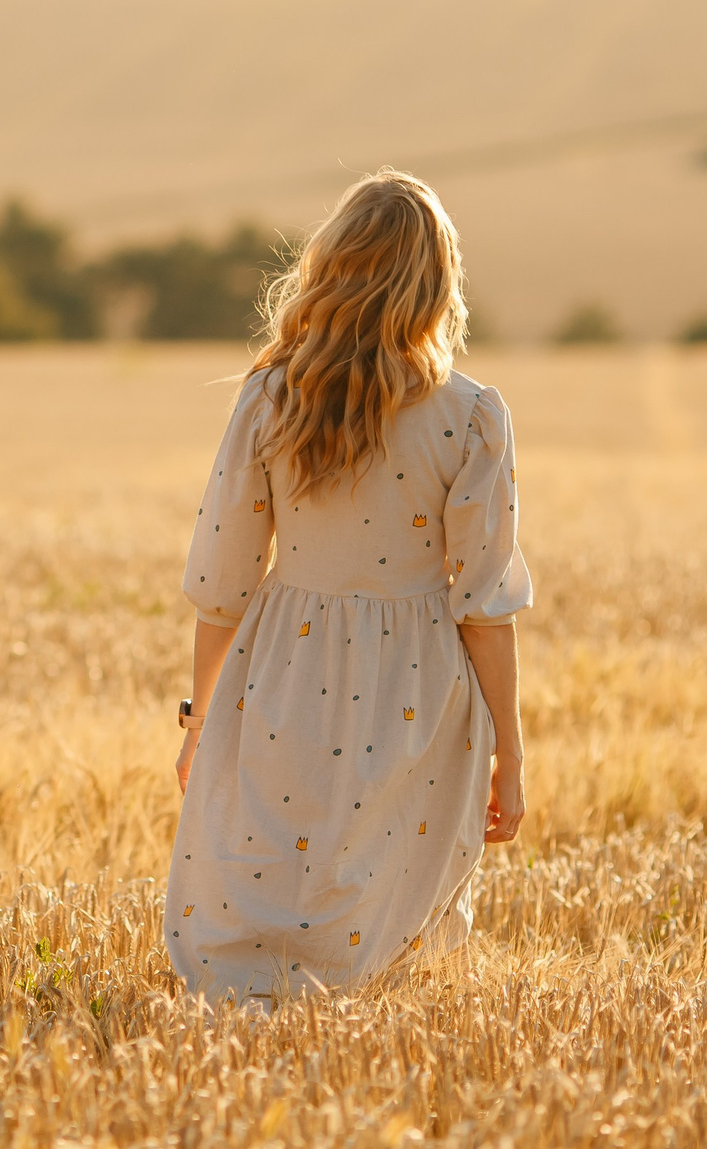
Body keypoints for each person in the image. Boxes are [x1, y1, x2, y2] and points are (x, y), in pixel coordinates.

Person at [166, 169, 530, 998]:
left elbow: (224, 577)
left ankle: (265, 1000)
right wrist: (511, 746)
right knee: (390, 874)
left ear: (329, 267)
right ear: (436, 283)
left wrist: (200, 713)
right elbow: (484, 603)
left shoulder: (269, 394)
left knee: (277, 855)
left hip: (283, 662)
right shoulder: (472, 414)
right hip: (419, 675)